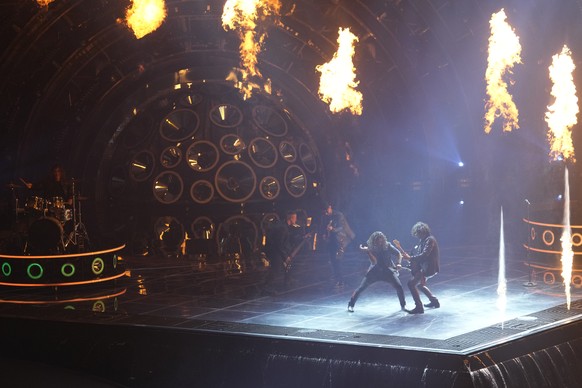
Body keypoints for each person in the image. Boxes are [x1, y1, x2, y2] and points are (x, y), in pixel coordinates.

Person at [347, 231, 407, 312]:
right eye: (377, 241)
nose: (380, 242)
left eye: (381, 240)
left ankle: (403, 306)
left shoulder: (387, 245)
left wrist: (399, 263)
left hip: (388, 271)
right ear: (374, 241)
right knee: (361, 288)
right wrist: (368, 251)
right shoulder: (371, 248)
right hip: (375, 272)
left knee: (399, 287)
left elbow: (398, 254)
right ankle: (351, 305)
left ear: (383, 240)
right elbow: (374, 262)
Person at [398, 222, 440, 314]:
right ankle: (434, 301)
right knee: (420, 285)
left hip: (428, 268)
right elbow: (418, 255)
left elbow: (424, 255)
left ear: (422, 232)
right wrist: (410, 262)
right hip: (424, 267)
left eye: (418, 234)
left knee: (411, 284)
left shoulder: (430, 240)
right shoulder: (423, 240)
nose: (417, 236)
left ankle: (419, 307)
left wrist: (410, 258)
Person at [320, 203, 355, 287]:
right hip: (333, 240)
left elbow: (341, 228)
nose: (325, 213)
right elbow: (325, 226)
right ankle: (336, 277)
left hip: (342, 239)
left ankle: (340, 280)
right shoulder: (326, 216)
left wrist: (332, 229)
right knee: (332, 260)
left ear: (330, 207)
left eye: (326, 211)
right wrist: (325, 234)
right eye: (324, 212)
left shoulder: (338, 215)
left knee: (338, 259)